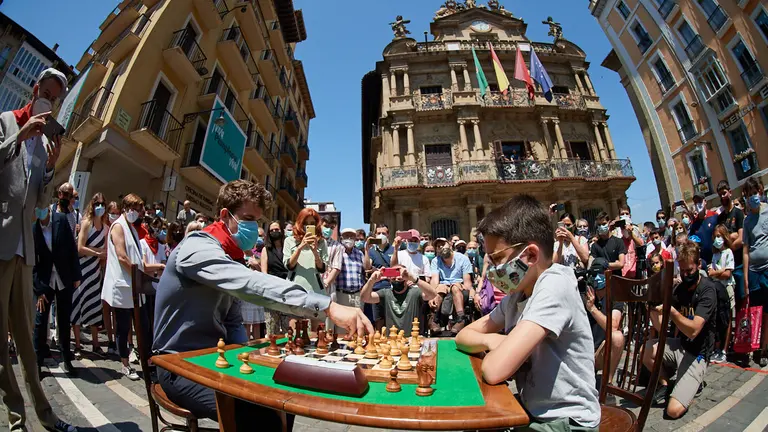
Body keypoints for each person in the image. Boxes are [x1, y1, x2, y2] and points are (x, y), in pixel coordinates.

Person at [152, 180, 373, 429]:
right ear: (224, 215)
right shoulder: (196, 248)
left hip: (216, 358)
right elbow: (251, 283)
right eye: (248, 218)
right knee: (261, 415)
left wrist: (246, 358)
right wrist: (326, 306)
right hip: (178, 365)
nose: (254, 228)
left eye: (257, 221)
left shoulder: (231, 255)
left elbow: (233, 320)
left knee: (285, 396)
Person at [456, 194, 600, 430]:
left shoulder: (555, 285)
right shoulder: (517, 295)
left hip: (566, 421)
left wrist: (495, 345)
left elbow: (494, 370)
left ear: (531, 255)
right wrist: (492, 340)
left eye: (498, 258)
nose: (492, 269)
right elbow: (462, 336)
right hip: (532, 410)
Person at [0, 67, 77, 432]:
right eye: (46, 94)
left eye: (55, 99)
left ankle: (46, 416)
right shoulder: (7, 122)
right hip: (1, 243)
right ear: (35, 90)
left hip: (25, 251)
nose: (49, 102)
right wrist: (20, 136)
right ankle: (17, 420)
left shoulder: (45, 144)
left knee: (29, 342)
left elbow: (42, 205)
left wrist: (49, 168)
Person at [644, 241, 717, 419]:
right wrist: (652, 309)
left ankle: (693, 383)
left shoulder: (707, 290)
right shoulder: (680, 289)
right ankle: (665, 384)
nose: (685, 275)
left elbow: (693, 330)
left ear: (698, 265)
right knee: (647, 349)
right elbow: (661, 328)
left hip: (698, 353)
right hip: (681, 345)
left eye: (689, 271)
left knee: (673, 411)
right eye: (682, 270)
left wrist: (672, 311)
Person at [32, 204, 82, 376]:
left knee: (64, 319)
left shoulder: (60, 220)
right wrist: (39, 290)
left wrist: (76, 275)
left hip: (63, 277)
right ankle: (37, 363)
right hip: (45, 281)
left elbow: (72, 249)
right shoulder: (34, 229)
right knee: (40, 321)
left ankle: (66, 358)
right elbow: (33, 262)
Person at [102, 194, 148, 381]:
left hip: (134, 287)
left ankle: (145, 360)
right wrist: (138, 276)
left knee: (142, 326)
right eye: (135, 209)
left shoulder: (132, 229)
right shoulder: (119, 226)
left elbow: (137, 259)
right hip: (124, 285)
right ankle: (125, 364)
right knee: (123, 327)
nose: (137, 213)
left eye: (139, 210)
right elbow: (122, 256)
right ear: (126, 208)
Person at [71, 193, 108, 358]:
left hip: (95, 271)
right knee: (78, 304)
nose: (100, 207)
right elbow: (80, 248)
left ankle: (95, 343)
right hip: (82, 269)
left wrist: (100, 256)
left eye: (102, 204)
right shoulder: (87, 223)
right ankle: (78, 344)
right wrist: (97, 253)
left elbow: (105, 251)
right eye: (97, 204)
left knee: (94, 305)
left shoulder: (105, 228)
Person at [361, 265, 438, 330]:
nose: (397, 278)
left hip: (413, 338)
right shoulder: (385, 293)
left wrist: (414, 279)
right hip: (393, 339)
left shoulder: (415, 292)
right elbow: (365, 298)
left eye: (400, 274)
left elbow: (433, 294)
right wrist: (371, 281)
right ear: (389, 279)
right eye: (394, 275)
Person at [743, 177, 768, 367]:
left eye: (755, 193)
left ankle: (764, 348)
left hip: (767, 268)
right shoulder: (747, 221)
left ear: (760, 191)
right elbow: (745, 250)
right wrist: (745, 277)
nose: (753, 197)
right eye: (749, 195)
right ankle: (757, 345)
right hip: (753, 271)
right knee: (757, 311)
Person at [429, 238, 476, 334]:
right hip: (443, 285)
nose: (441, 247)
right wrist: (431, 294)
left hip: (459, 285)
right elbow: (434, 280)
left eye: (443, 244)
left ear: (450, 245)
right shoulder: (435, 261)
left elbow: (467, 282)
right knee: (439, 289)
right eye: (438, 246)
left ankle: (461, 319)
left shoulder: (463, 259)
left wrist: (469, 291)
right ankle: (433, 320)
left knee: (455, 288)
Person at [284, 209, 328, 297]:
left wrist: (315, 252)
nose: (308, 226)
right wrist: (300, 247)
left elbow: (323, 269)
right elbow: (289, 266)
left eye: (312, 223)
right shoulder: (289, 240)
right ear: (300, 223)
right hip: (294, 288)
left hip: (316, 289)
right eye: (305, 223)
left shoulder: (322, 242)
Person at [331, 228, 366, 334]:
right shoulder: (338, 252)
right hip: (342, 294)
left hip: (357, 295)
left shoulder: (359, 254)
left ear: (355, 238)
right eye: (346, 236)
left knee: (358, 324)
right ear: (341, 238)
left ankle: (357, 343)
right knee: (343, 325)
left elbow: (365, 270)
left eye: (352, 236)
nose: (349, 239)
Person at [261, 222, 291, 336]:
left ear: (281, 230)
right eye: (272, 230)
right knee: (272, 326)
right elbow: (264, 272)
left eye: (277, 229)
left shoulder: (288, 248)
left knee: (288, 328)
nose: (274, 232)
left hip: (288, 290)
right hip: (272, 290)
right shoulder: (266, 250)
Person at [363, 224, 395, 326]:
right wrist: (366, 250)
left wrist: (381, 272)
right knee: (378, 320)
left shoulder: (394, 250)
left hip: (391, 289)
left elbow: (395, 268)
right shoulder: (371, 251)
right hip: (376, 289)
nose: (381, 235)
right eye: (379, 233)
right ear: (375, 235)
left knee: (391, 320)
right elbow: (367, 267)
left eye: (383, 233)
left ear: (388, 235)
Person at [688, 193, 718, 267]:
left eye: (700, 201)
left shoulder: (715, 216)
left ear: (705, 202)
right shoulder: (694, 224)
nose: (698, 204)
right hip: (703, 264)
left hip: (717, 259)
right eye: (696, 202)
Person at [321, 215, 343, 296]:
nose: (328, 229)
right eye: (326, 226)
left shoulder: (337, 246)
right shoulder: (312, 241)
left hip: (328, 287)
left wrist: (325, 284)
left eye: (331, 228)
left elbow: (336, 268)